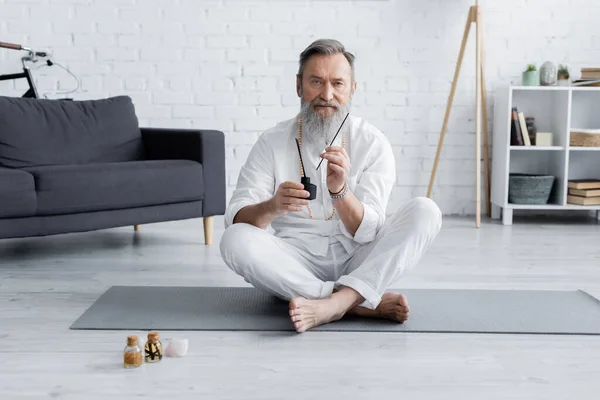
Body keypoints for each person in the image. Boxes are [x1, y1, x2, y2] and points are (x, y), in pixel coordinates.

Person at [219, 38, 442, 333]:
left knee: (426, 211)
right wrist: (271, 206)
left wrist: (341, 192)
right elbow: (236, 217)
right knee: (234, 240)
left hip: (359, 256)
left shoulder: (373, 143)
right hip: (294, 263)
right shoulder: (271, 142)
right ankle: (355, 301)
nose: (327, 94)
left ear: (352, 89)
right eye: (316, 82)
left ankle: (332, 304)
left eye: (337, 83)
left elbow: (371, 230)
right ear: (299, 86)